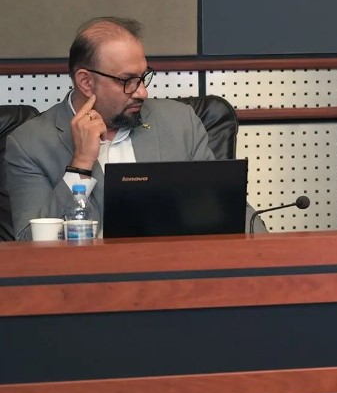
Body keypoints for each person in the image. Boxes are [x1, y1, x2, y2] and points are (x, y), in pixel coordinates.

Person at [5, 16, 265, 239]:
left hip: (175, 272)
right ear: (86, 82)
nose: (142, 92)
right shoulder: (30, 144)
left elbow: (231, 211)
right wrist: (80, 164)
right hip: (85, 279)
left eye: (143, 77)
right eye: (128, 81)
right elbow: (30, 244)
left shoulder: (180, 123)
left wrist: (264, 252)